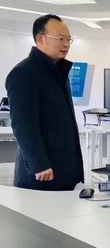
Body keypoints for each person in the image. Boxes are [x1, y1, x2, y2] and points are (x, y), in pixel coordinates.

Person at [5, 14, 84, 191]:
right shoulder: (24, 73)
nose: (66, 44)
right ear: (40, 38)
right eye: (60, 39)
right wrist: (39, 164)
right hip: (42, 173)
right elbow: (23, 124)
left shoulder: (58, 71)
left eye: (69, 39)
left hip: (64, 168)